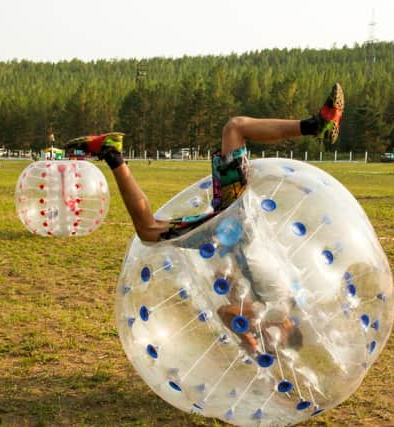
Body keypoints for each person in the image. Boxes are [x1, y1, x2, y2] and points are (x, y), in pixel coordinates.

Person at [65, 83, 345, 353]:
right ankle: (315, 125)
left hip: (234, 224)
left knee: (150, 230)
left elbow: (238, 279)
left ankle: (112, 153)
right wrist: (245, 334)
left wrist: (231, 283)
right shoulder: (275, 310)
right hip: (236, 222)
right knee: (234, 130)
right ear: (288, 330)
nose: (269, 339)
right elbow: (227, 312)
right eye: (278, 341)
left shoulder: (279, 299)